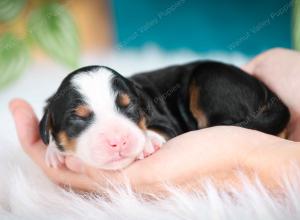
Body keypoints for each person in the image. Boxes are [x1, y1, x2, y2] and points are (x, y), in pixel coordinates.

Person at [9, 48, 300, 194]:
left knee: (208, 84)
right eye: (81, 120)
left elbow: (163, 127)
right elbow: (52, 135)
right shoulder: (52, 127)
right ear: (51, 127)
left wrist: (155, 138)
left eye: (127, 110)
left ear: (141, 107)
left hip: (211, 79)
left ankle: (261, 127)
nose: (118, 137)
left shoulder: (147, 108)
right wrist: (55, 147)